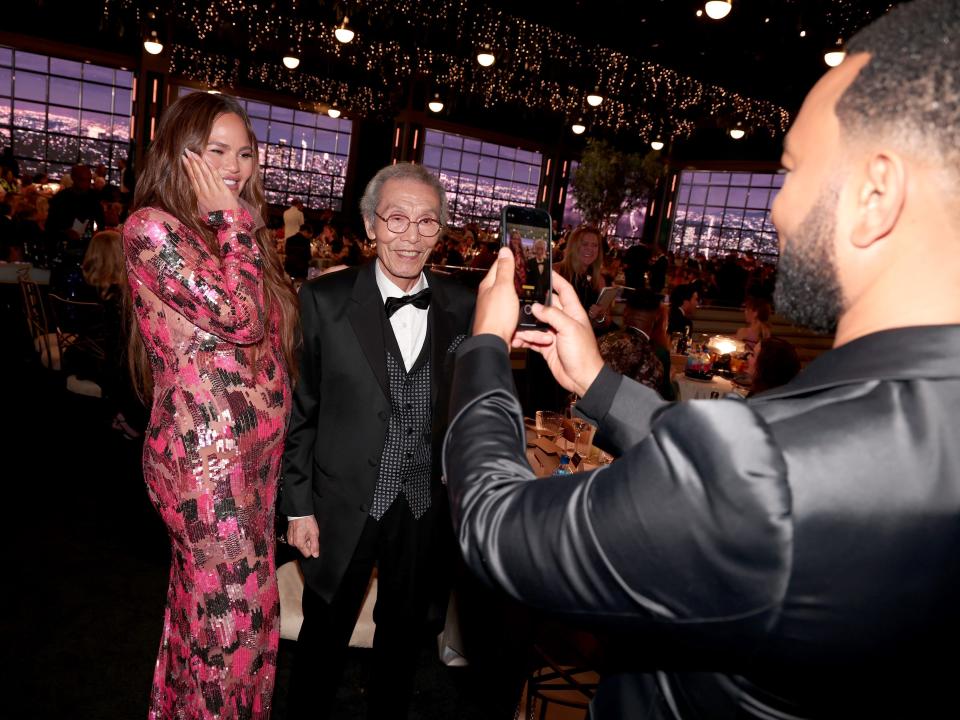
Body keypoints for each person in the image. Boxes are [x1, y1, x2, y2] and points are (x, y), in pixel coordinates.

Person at [442, 1, 960, 716]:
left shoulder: (771, 476)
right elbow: (747, 488)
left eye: (791, 169)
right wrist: (598, 383)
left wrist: (485, 347)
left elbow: (494, 525)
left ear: (875, 195)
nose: (776, 211)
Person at [122, 92, 298, 719]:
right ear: (180, 152)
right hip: (206, 466)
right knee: (232, 631)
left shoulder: (228, 232)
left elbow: (272, 336)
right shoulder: (152, 228)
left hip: (252, 465)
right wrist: (234, 221)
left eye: (245, 153)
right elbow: (239, 318)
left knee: (225, 620)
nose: (236, 166)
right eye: (217, 150)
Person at [281, 162, 475, 719]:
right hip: (342, 503)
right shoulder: (324, 300)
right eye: (396, 219)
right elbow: (302, 410)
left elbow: (467, 405)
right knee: (325, 639)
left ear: (441, 231)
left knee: (403, 638)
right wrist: (297, 507)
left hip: (422, 507)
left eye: (427, 222)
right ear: (370, 225)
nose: (411, 236)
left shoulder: (462, 306)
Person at [555, 224, 609, 331]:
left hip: (587, 338)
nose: (590, 249)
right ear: (573, 246)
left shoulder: (599, 280)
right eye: (585, 244)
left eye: (595, 245)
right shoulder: (556, 271)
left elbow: (606, 322)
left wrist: (600, 317)